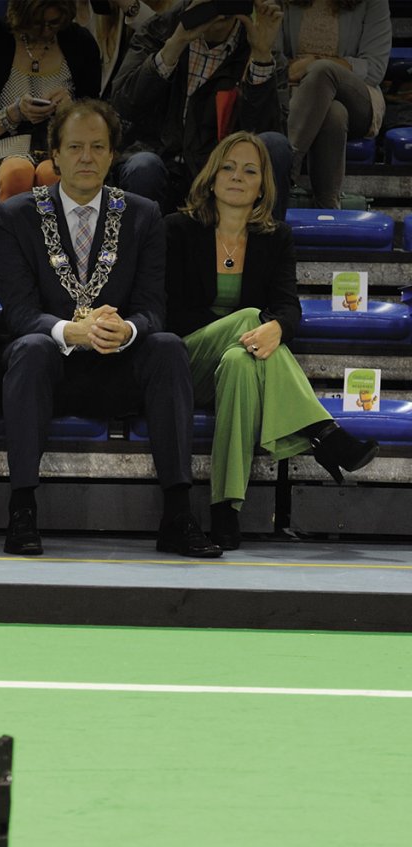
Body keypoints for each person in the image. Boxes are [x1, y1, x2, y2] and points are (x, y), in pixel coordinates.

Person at [0, 98, 219, 558]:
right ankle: (22, 510)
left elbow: (153, 307)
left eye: (98, 147)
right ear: (54, 153)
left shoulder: (143, 214)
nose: (87, 157)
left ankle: (178, 512)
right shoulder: (15, 216)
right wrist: (70, 332)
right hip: (50, 369)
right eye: (75, 147)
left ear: (113, 155)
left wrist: (129, 331)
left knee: (169, 347)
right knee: (31, 347)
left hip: (119, 366)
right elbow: (17, 312)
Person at [165, 132, 374, 547]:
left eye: (250, 170)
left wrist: (277, 327)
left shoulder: (275, 237)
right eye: (227, 167)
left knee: (243, 365)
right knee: (248, 319)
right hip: (183, 363)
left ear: (264, 185)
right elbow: (168, 313)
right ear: (210, 176)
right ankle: (321, 430)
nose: (237, 177)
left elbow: (288, 308)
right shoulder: (177, 229)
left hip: (237, 363)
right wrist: (260, 324)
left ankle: (226, 513)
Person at [109, 0, 291, 212]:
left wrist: (260, 56)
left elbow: (269, 137)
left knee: (275, 144)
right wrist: (175, 45)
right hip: (159, 161)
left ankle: (265, 243)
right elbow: (122, 105)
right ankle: (141, 245)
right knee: (143, 166)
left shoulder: (262, 46)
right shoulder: (160, 29)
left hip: (224, 173)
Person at [0, 0, 101, 199]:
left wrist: (71, 111)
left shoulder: (81, 43)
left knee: (52, 174)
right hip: (4, 147)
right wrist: (12, 114)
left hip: (62, 148)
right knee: (16, 174)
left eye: (53, 23)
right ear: (20, 17)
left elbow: (98, 123)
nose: (46, 31)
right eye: (36, 23)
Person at [280, 0, 391, 209]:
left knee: (322, 71)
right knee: (333, 113)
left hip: (358, 98)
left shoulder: (373, 2)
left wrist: (311, 64)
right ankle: (329, 207)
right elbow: (273, 60)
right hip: (297, 98)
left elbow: (374, 69)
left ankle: (285, 170)